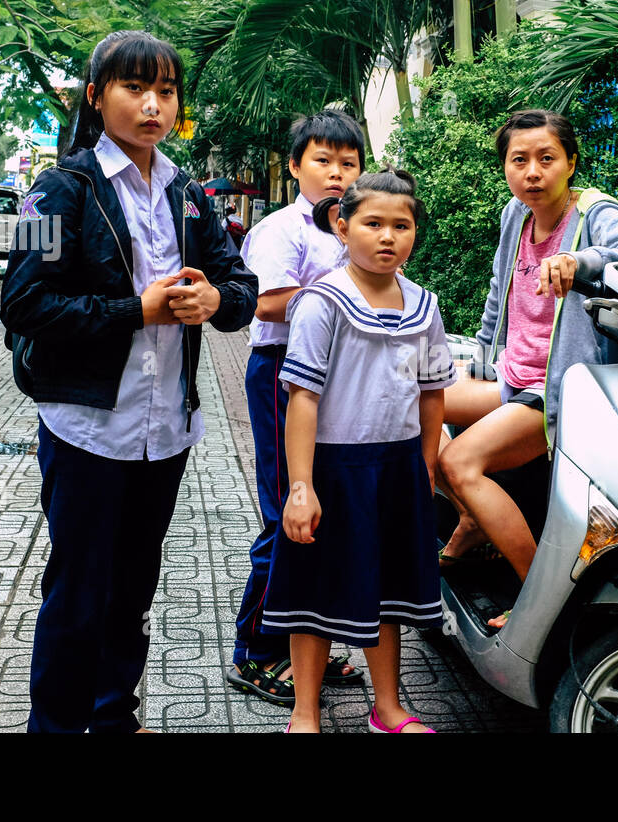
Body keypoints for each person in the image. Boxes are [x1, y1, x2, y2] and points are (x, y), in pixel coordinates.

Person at [0, 30, 258, 733]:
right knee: (77, 594)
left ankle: (114, 717)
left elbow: (241, 284)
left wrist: (217, 303)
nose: (152, 104)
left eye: (166, 91)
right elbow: (21, 303)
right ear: (96, 96)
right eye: (134, 88)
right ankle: (54, 727)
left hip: (164, 431)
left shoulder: (190, 194)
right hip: (86, 427)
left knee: (132, 590)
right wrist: (132, 311)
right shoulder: (53, 191)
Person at [436, 109, 618, 628]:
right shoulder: (515, 214)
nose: (532, 172)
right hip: (512, 375)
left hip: (562, 389)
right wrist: (485, 363)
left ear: (571, 163)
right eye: (520, 160)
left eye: (546, 159)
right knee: (410, 405)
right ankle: (471, 518)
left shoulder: (595, 214)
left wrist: (581, 263)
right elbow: (502, 293)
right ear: (507, 168)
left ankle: (541, 599)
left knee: (459, 464)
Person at [265, 168, 454, 733]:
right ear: (342, 227)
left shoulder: (424, 304)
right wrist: (301, 486)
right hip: (332, 468)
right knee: (314, 590)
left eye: (402, 225)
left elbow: (432, 393)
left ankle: (389, 708)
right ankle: (304, 713)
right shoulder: (322, 301)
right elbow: (302, 398)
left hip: (396, 467)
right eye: (373, 223)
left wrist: (425, 465)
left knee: (390, 590)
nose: (388, 236)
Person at [225, 109, 367, 705]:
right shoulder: (284, 229)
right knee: (288, 510)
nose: (337, 174)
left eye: (349, 163)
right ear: (294, 166)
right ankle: (257, 651)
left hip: (339, 380)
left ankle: (308, 649)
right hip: (284, 376)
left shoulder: (355, 225)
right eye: (323, 161)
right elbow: (268, 304)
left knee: (326, 516)